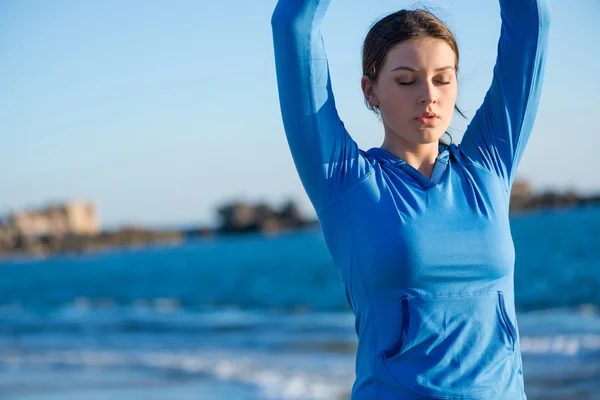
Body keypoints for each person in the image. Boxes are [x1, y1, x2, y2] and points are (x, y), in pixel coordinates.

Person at [271, 0, 550, 398]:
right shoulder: (345, 182)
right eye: (406, 81)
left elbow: (532, 21)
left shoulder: (489, 167)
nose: (429, 96)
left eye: (443, 78)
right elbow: (292, 25)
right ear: (371, 91)